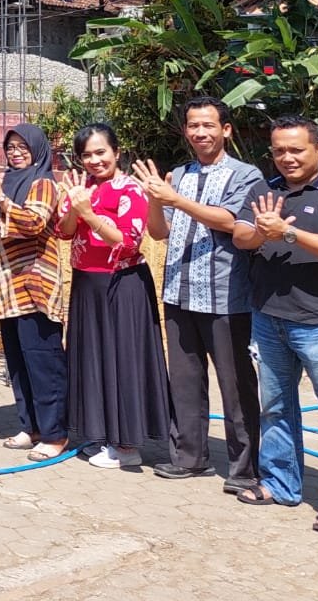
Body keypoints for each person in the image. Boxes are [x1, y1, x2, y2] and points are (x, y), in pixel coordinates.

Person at [232, 116, 318, 535]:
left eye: (296, 150)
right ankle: (280, 483)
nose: (286, 157)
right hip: (268, 318)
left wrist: (288, 235)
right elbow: (240, 236)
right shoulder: (263, 191)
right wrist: (261, 232)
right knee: (275, 409)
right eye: (279, 151)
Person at [132, 96, 264, 490]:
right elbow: (159, 231)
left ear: (226, 130)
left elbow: (230, 221)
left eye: (208, 125)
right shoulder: (179, 174)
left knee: (236, 386)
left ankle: (244, 469)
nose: (200, 132)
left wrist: (174, 199)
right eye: (193, 125)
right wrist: (155, 201)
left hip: (226, 296)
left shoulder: (246, 175)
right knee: (185, 382)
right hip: (179, 292)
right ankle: (189, 458)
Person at [57, 123, 171, 470]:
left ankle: (127, 446)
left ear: (117, 152)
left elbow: (127, 242)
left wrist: (89, 214)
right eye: (87, 155)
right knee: (94, 360)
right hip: (86, 283)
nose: (94, 160)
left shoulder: (130, 189)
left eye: (101, 152)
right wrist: (76, 208)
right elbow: (64, 232)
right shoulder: (82, 187)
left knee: (122, 361)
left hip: (122, 284)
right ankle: (103, 433)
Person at [0, 124, 68, 461]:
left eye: (22, 147)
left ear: (38, 149)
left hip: (34, 287)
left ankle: (56, 433)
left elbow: (32, 223)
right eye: (11, 147)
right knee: (17, 362)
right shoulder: (8, 180)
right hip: (6, 287)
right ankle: (31, 427)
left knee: (43, 362)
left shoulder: (43, 183)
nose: (15, 153)